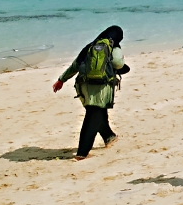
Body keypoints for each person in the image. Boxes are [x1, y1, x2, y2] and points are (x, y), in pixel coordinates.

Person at [52, 26, 129, 160]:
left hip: (84, 86)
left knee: (97, 112)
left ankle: (109, 137)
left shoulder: (91, 46)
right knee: (93, 116)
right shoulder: (114, 46)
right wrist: (122, 61)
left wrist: (61, 79)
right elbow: (117, 63)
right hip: (101, 87)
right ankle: (82, 152)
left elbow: (75, 65)